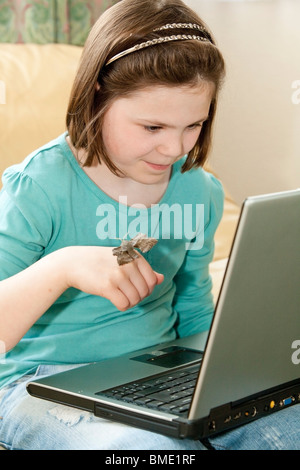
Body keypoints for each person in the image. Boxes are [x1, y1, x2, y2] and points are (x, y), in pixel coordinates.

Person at [0, 0, 299, 451]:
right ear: (97, 96)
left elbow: (194, 303)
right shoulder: (38, 188)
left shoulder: (200, 190)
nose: (174, 149)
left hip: (156, 372)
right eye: (152, 126)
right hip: (39, 383)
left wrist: (220, 378)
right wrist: (61, 266)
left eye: (193, 125)